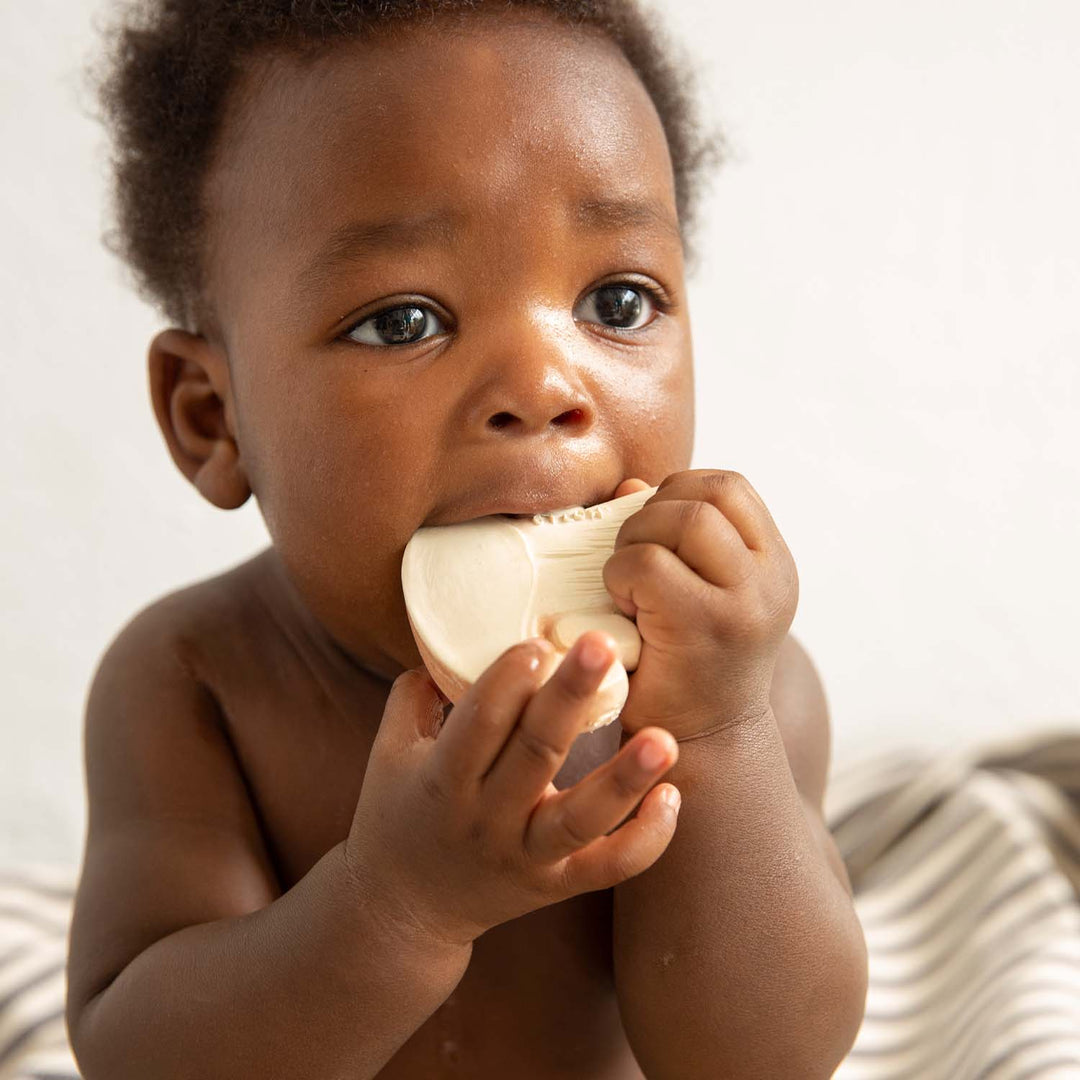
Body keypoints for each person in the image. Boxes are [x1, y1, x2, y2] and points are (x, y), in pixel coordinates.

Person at [65, 2, 868, 1076]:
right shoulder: (195, 686)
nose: (543, 387)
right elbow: (139, 1055)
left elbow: (762, 1062)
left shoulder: (741, 687)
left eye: (618, 300)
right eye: (404, 320)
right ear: (215, 419)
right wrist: (395, 908)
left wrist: (720, 735)